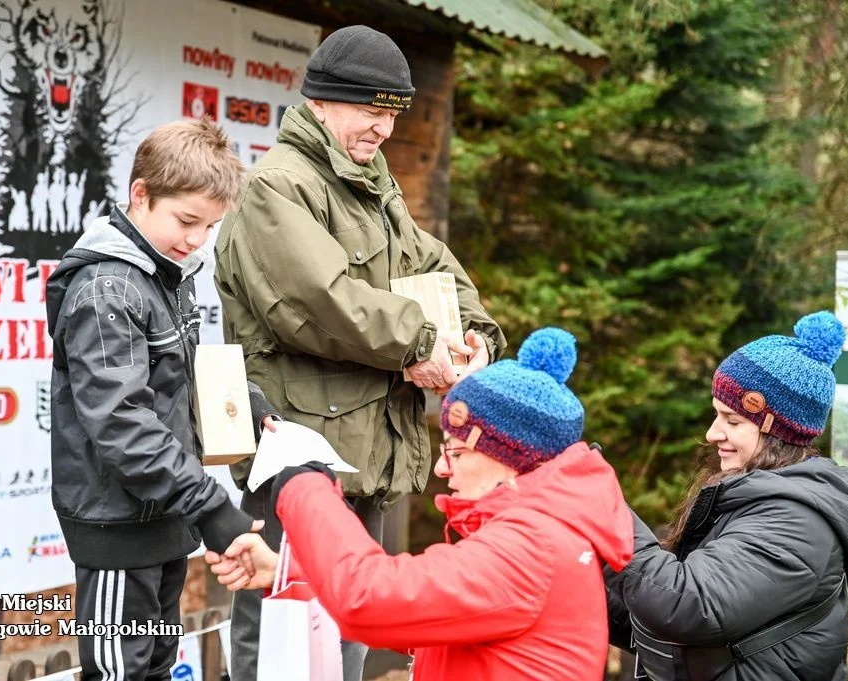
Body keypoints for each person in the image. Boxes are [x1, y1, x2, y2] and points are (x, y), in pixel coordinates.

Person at [214, 24, 507, 681]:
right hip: (298, 460)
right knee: (284, 644)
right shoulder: (277, 189)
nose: (384, 130)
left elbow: (430, 264)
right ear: (321, 102)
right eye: (371, 112)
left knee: (344, 635)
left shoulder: (370, 184)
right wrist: (421, 342)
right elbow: (322, 299)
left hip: (363, 454)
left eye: (392, 115)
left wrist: (474, 334)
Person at [207, 328, 635, 680]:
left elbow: (369, 598)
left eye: (457, 451)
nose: (444, 470)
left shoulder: (529, 547)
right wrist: (289, 572)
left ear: (511, 459)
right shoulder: (548, 533)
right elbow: (430, 615)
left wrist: (303, 482)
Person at [45, 119, 278, 681]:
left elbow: (183, 375)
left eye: (211, 226)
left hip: (166, 515)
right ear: (140, 194)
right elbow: (123, 424)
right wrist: (210, 506)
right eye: (187, 220)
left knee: (155, 667)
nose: (198, 239)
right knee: (119, 671)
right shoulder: (107, 288)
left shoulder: (167, 272)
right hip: (118, 526)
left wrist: (248, 405)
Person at [605, 311, 848, 681]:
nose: (711, 433)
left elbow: (686, 606)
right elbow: (653, 621)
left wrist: (601, 505)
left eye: (732, 421)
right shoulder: (749, 498)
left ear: (776, 430)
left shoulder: (797, 523)